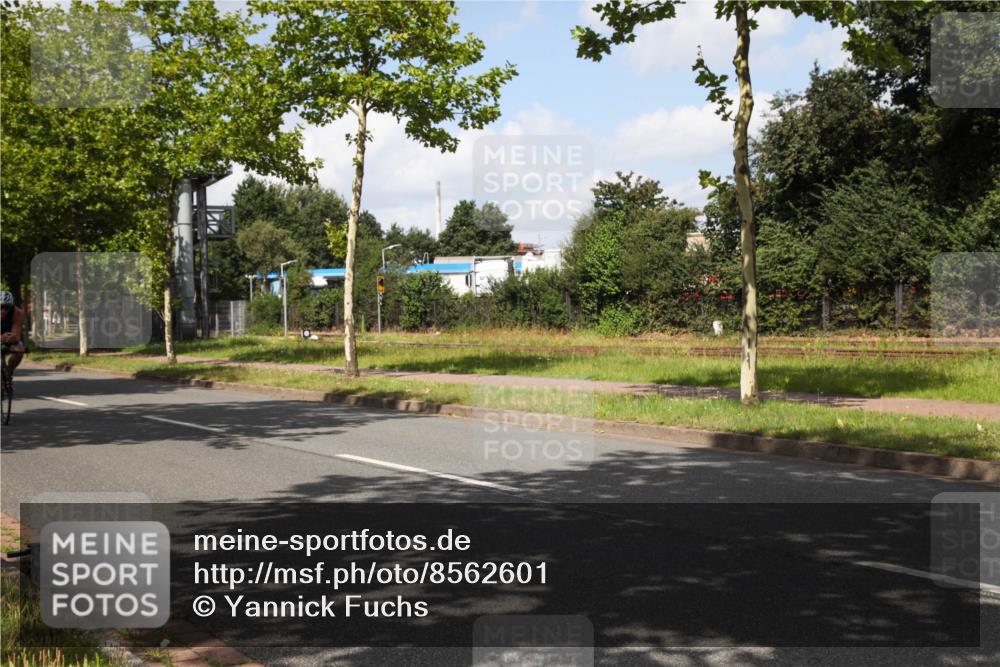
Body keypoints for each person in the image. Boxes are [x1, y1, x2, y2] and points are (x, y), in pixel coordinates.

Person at [0, 290, 25, 378]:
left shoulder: (17, 312)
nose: (3, 310)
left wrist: (13, 338)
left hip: (9, 336)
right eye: (0, 307)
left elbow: (16, 335)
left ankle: (9, 371)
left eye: (6, 307)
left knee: (19, 350)